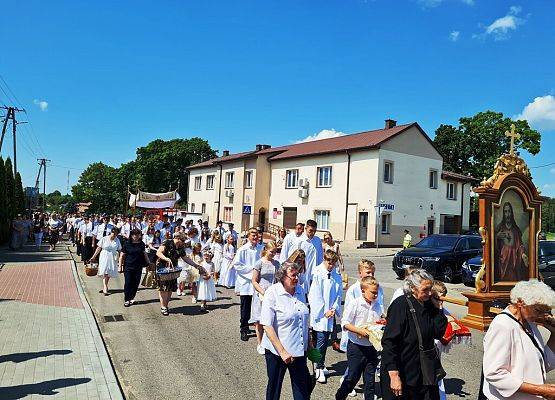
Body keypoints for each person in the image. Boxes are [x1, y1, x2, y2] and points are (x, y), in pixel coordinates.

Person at [482, 279, 555, 400]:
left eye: (544, 311)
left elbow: (541, 364)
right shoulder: (503, 325)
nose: (541, 315)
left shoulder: (529, 323)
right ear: (520, 302)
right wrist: (540, 390)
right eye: (537, 310)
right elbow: (494, 373)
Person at [381, 269, 448, 400]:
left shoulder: (429, 304)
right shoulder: (400, 305)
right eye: (425, 290)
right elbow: (389, 342)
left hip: (424, 372)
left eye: (430, 289)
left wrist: (438, 307)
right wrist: (394, 375)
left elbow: (438, 332)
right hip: (403, 371)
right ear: (412, 288)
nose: (429, 293)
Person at [260, 262, 311, 400]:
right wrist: (282, 352)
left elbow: (304, 321)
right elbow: (267, 325)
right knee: (274, 388)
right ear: (282, 277)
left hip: (299, 350)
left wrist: (311, 347)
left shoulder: (300, 290)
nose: (296, 278)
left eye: (297, 275)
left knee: (302, 389)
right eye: (293, 275)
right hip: (277, 352)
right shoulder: (273, 292)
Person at [336, 276, 382, 400]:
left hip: (371, 347)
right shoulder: (355, 304)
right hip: (356, 347)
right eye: (372, 292)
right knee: (352, 377)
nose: (375, 295)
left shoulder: (377, 305)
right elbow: (345, 323)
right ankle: (340, 396)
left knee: (370, 380)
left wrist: (381, 323)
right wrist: (359, 330)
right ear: (363, 291)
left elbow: (377, 322)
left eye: (376, 293)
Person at [308, 249, 343, 383]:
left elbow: (339, 293)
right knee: (320, 341)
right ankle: (319, 367)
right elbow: (314, 295)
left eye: (333, 263)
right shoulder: (317, 272)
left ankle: (319, 364)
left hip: (330, 313)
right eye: (329, 262)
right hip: (320, 314)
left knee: (323, 340)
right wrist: (324, 311)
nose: (331, 265)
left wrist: (334, 308)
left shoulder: (336, 274)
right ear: (324, 259)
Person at [156, 232, 203, 316]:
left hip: (173, 268)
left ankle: (166, 305)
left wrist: (195, 265)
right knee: (163, 288)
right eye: (183, 240)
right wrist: (166, 258)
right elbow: (158, 252)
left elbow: (185, 258)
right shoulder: (167, 242)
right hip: (163, 267)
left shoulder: (181, 247)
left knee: (170, 288)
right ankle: (163, 307)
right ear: (177, 238)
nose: (184, 242)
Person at [232, 227, 262, 341]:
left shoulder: (260, 248)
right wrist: (253, 272)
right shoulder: (243, 249)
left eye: (256, 235)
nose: (255, 237)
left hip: (258, 282)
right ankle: (244, 328)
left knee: (257, 306)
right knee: (245, 307)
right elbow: (238, 265)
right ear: (248, 236)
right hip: (246, 282)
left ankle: (256, 326)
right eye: (253, 235)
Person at [251, 241, 279, 354]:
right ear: (266, 250)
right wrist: (262, 292)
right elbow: (254, 281)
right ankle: (260, 343)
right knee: (259, 321)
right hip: (260, 293)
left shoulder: (277, 264)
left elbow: (278, 279)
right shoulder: (259, 263)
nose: (273, 254)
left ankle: (270, 342)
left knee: (270, 319)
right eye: (271, 251)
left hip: (272, 293)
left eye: (275, 252)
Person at [495, 202, 529, 281]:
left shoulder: (516, 230)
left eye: (509, 211)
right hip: (502, 261)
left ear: (512, 213)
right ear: (503, 213)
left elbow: (520, 245)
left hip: (514, 261)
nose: (508, 214)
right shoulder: (499, 228)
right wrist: (496, 237)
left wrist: (523, 253)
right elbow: (491, 244)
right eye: (505, 212)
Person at [119, 228, 150, 307]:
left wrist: (149, 263)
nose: (135, 236)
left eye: (137, 234)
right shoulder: (127, 244)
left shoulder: (141, 244)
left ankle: (131, 297)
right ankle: (126, 299)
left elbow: (144, 254)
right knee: (128, 283)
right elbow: (122, 256)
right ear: (131, 235)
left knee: (136, 283)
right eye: (134, 234)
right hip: (128, 266)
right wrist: (120, 266)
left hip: (138, 266)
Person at [90, 227, 122, 296]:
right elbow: (98, 248)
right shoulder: (104, 238)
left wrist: (120, 260)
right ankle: (105, 287)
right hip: (104, 256)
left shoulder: (117, 240)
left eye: (116, 234)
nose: (114, 235)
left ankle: (105, 285)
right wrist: (93, 257)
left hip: (112, 257)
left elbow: (119, 250)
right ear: (111, 232)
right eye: (113, 233)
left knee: (109, 271)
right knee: (105, 271)